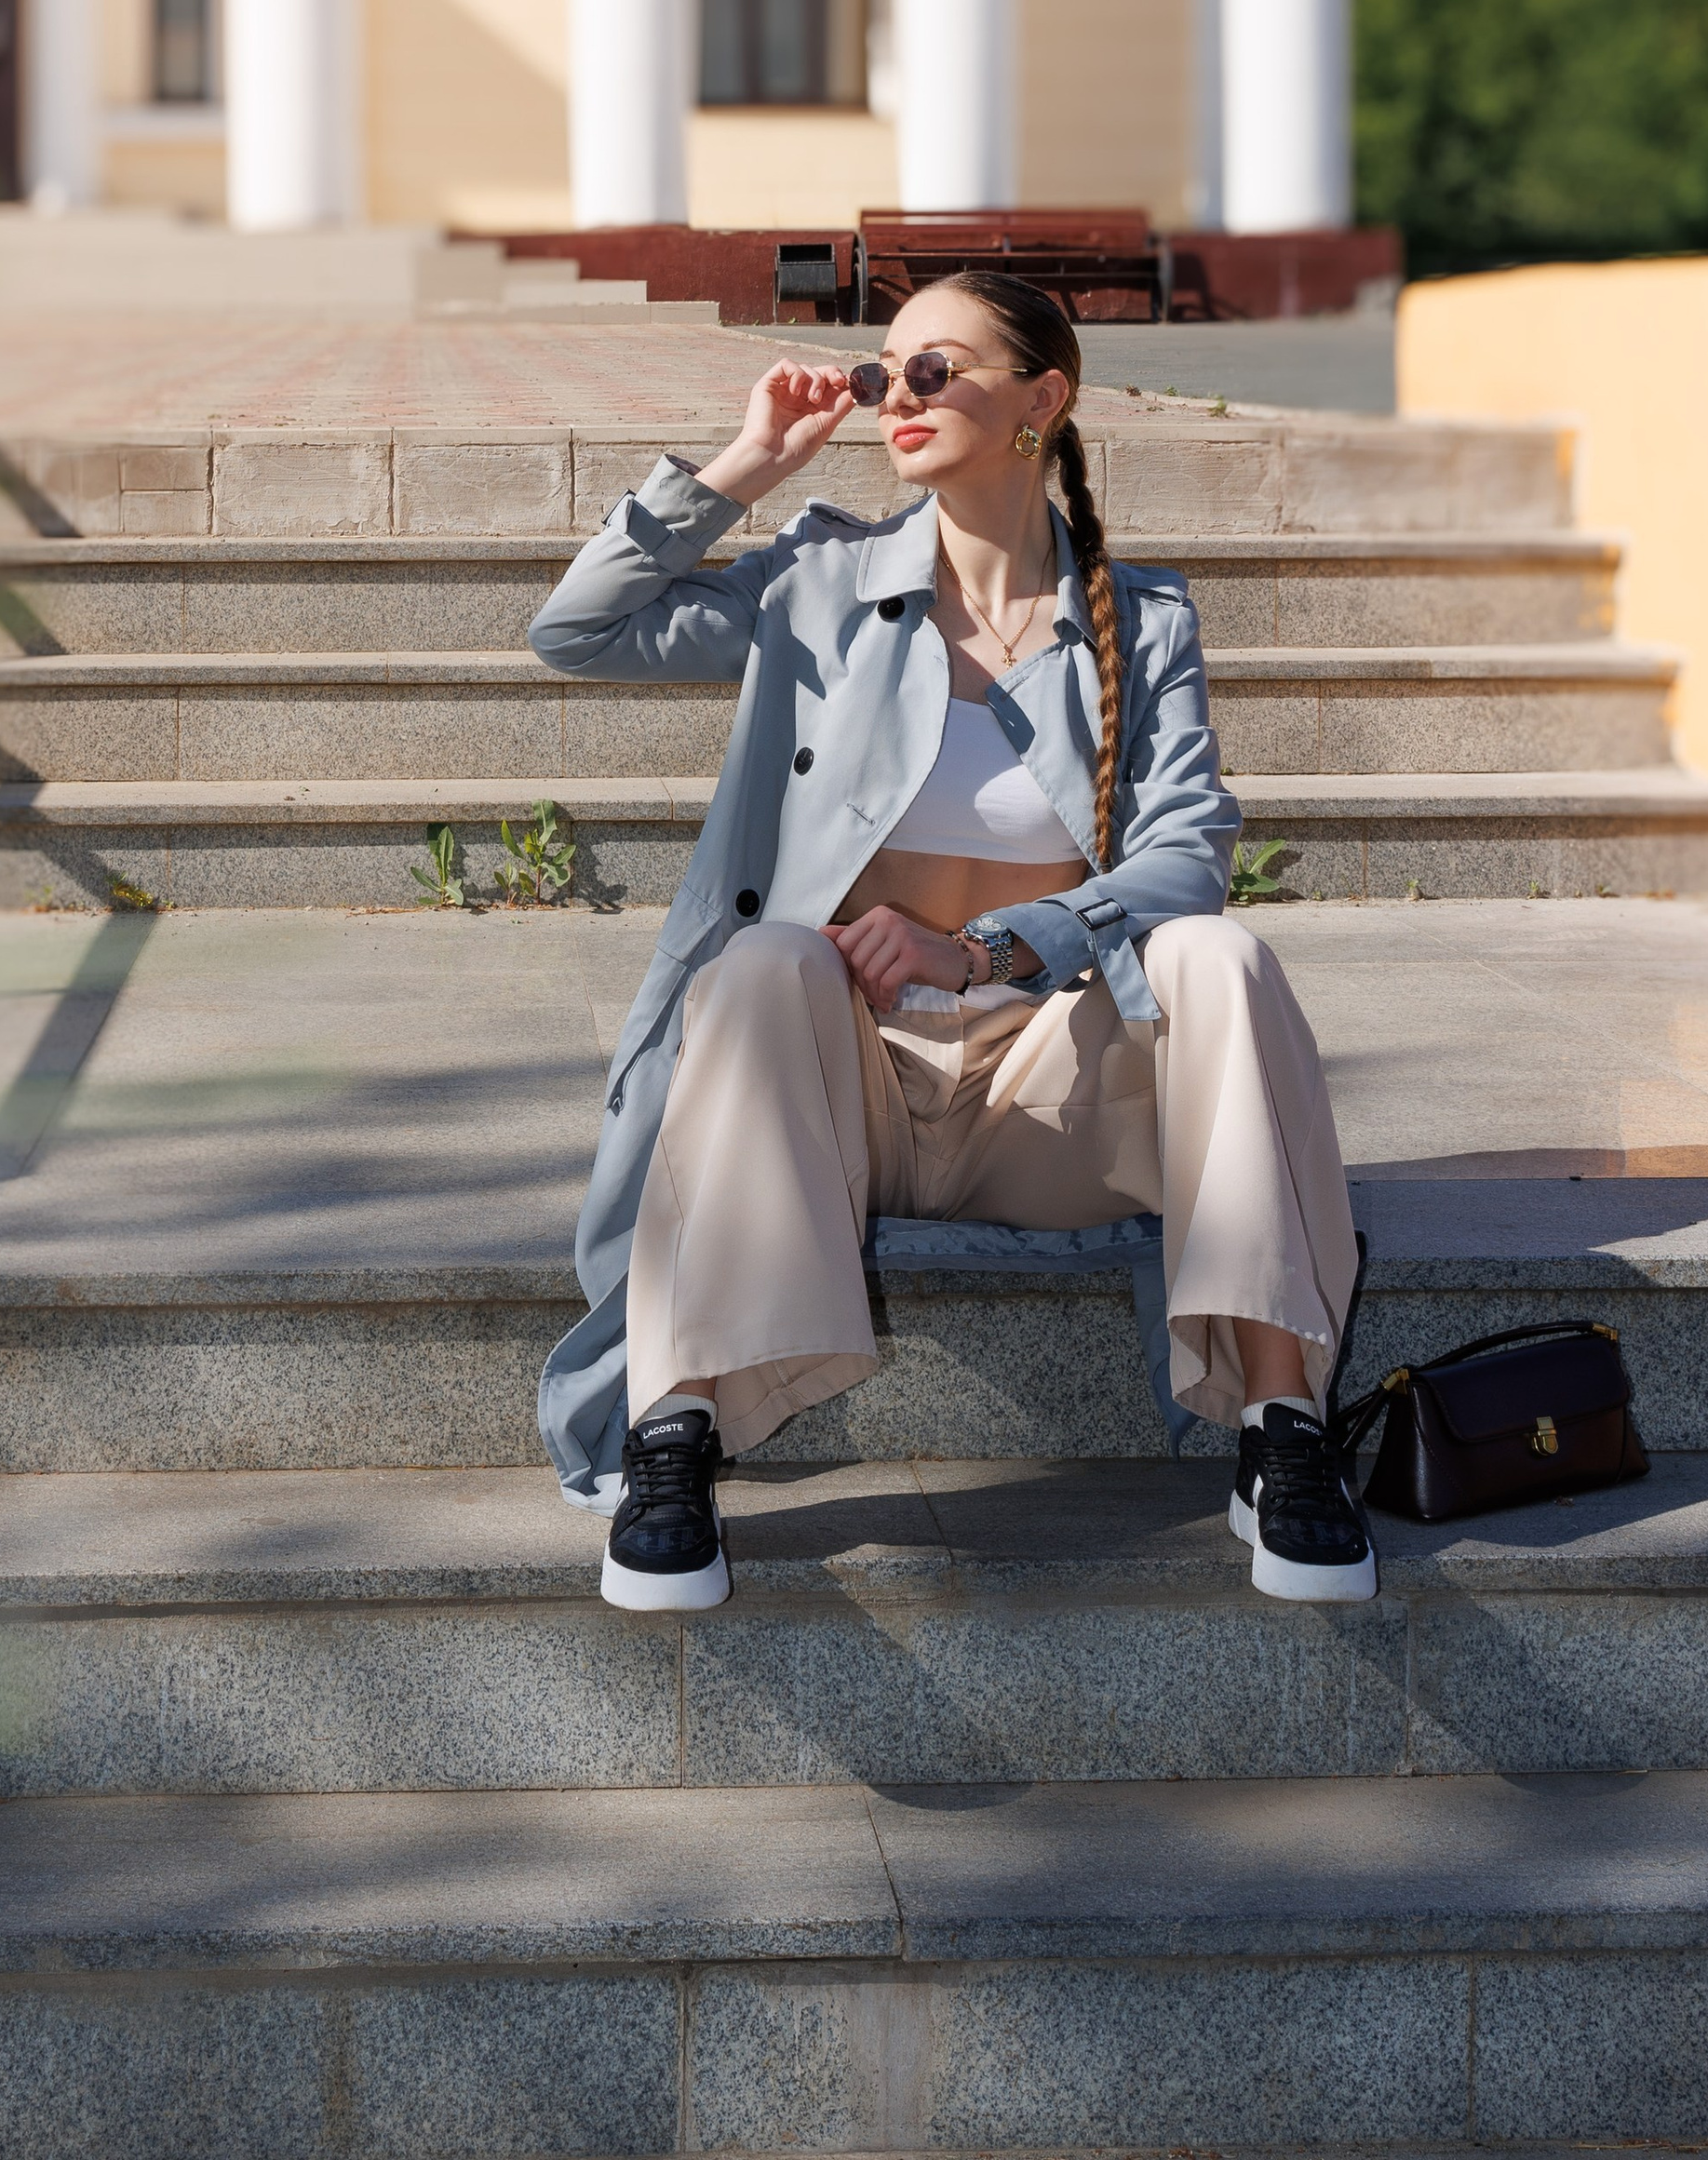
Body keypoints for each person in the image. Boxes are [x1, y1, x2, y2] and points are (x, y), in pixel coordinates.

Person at [529, 268, 1371, 1615]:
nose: (894, 396)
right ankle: (675, 1433)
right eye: (883, 373)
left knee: (1220, 956)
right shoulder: (819, 584)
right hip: (843, 1096)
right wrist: (749, 463)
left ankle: (1283, 1431)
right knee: (763, 964)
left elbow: (1184, 856)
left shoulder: (1143, 620)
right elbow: (577, 630)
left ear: (1044, 398)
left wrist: (986, 950)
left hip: (1050, 1095)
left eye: (935, 369)